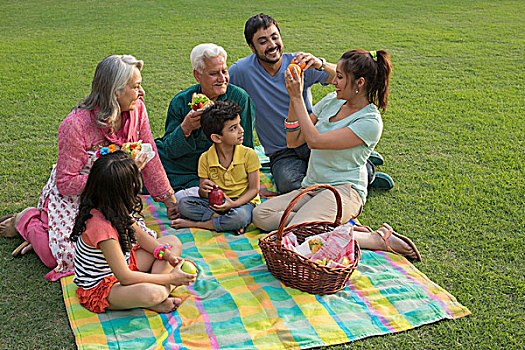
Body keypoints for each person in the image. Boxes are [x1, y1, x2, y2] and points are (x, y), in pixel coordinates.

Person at [0, 55, 178, 281]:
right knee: (66, 256)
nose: (142, 92)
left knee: (126, 249)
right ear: (116, 92)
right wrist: (121, 174)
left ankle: (44, 227)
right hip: (79, 196)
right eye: (136, 86)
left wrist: (168, 198)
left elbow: (149, 154)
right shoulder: (75, 124)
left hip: (113, 197)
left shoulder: (137, 110)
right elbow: (65, 183)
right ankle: (26, 220)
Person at [252, 49, 421, 261]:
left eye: (340, 77)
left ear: (359, 83)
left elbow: (314, 141)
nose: (334, 82)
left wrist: (297, 97)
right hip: (313, 186)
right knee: (260, 215)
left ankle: (376, 239)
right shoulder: (333, 100)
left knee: (297, 233)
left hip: (344, 190)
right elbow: (293, 140)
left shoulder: (369, 122)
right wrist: (292, 99)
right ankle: (325, 227)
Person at [229, 13, 393, 193]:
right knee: (290, 186)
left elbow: (343, 78)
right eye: (263, 41)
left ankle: (366, 168)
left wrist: (319, 64)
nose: (272, 45)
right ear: (252, 47)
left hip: (309, 136)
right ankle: (357, 164)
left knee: (348, 172)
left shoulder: (299, 63)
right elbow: (222, 92)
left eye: (275, 37)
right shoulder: (241, 71)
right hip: (281, 151)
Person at [71, 151, 196, 314]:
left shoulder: (113, 206)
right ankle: (158, 294)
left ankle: (154, 293)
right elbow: (125, 277)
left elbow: (141, 237)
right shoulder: (101, 228)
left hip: (124, 264)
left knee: (172, 242)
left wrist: (167, 256)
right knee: (153, 293)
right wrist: (172, 279)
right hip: (103, 286)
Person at [155, 44, 256, 201]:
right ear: (198, 75)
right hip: (184, 165)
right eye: (214, 74)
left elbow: (247, 144)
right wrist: (185, 128)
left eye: (224, 71)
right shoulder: (181, 101)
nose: (222, 79)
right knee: (149, 166)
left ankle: (195, 192)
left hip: (222, 167)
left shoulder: (239, 98)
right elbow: (170, 150)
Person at [171, 101, 261, 235]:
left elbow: (254, 190)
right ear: (217, 138)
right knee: (184, 205)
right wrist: (203, 190)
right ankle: (225, 222)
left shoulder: (249, 155)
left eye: (239, 124)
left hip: (243, 203)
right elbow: (203, 194)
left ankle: (200, 224)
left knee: (241, 217)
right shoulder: (205, 158)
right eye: (233, 128)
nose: (241, 130)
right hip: (216, 205)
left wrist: (233, 205)